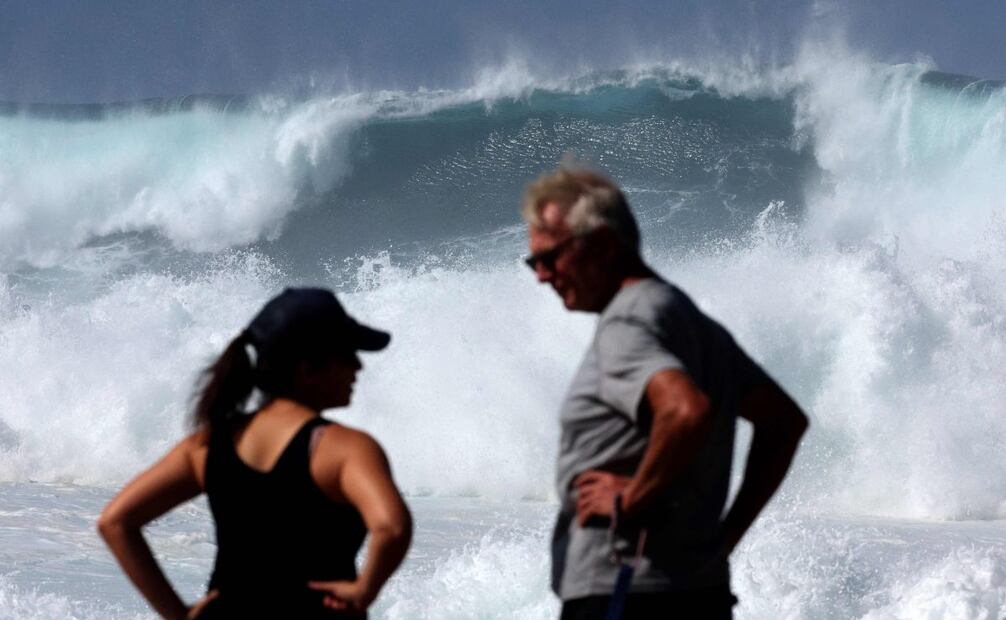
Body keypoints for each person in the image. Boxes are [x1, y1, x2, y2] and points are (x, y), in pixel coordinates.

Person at [521, 166, 808, 619]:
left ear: (603, 245)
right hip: (696, 591)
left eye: (550, 257)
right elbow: (784, 422)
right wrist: (721, 541)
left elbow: (684, 410)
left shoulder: (628, 321)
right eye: (533, 262)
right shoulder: (689, 319)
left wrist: (634, 497)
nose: (541, 275)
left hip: (627, 589)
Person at [98, 288, 412, 619]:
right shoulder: (344, 448)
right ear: (307, 368)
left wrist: (178, 615)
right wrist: (365, 589)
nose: (358, 366)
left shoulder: (205, 446)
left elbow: (116, 522)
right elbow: (391, 528)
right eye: (348, 354)